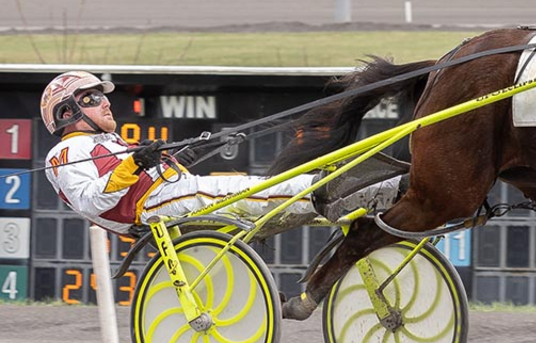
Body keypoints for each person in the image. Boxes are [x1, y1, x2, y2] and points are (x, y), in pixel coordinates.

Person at [41, 70, 403, 236]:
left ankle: (369, 202)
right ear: (67, 113)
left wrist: (199, 149)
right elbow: (92, 202)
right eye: (91, 98)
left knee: (271, 199)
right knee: (267, 190)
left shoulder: (110, 143)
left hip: (171, 193)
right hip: (156, 206)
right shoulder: (64, 154)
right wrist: (136, 162)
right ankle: (383, 192)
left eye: (102, 95)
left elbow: (142, 172)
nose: (105, 103)